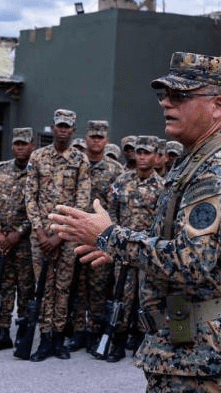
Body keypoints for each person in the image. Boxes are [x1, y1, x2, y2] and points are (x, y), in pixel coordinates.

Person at [50, 52, 221, 391]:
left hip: (201, 356)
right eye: (165, 95)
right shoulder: (196, 161)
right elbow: (174, 241)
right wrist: (119, 249)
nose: (166, 103)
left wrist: (110, 237)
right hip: (182, 345)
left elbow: (191, 262)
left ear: (218, 105)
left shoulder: (219, 169)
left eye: (180, 95)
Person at [24, 108, 91, 361]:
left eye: (67, 126)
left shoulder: (80, 160)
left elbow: (82, 201)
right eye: (59, 126)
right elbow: (30, 196)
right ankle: (44, 338)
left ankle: (58, 338)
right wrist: (39, 232)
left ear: (73, 130)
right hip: (40, 235)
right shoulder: (38, 156)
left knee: (62, 288)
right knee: (44, 287)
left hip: (67, 236)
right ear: (53, 128)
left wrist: (60, 235)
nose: (63, 130)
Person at [105, 135, 164, 362]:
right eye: (139, 152)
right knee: (122, 296)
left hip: (147, 252)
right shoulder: (121, 181)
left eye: (147, 153)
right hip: (122, 252)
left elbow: (162, 222)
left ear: (156, 156)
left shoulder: (162, 187)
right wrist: (116, 240)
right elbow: (111, 212)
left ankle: (141, 341)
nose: (142, 157)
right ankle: (118, 343)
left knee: (146, 297)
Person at [69, 120, 121, 354]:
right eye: (92, 137)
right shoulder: (75, 164)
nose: (96, 141)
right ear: (86, 138)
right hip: (76, 234)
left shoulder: (115, 170)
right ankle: (78, 331)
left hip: (101, 237)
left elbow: (117, 207)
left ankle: (94, 331)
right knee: (78, 286)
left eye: (100, 137)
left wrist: (110, 237)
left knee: (98, 286)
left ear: (106, 140)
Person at [0, 128, 35, 353]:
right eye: (17, 144)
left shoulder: (37, 170)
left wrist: (19, 232)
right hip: (1, 240)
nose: (20, 147)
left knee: (25, 288)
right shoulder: (0, 169)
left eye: (24, 144)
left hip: (24, 242)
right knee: (2, 286)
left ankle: (23, 332)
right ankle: (3, 332)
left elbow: (38, 207)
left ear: (32, 146)